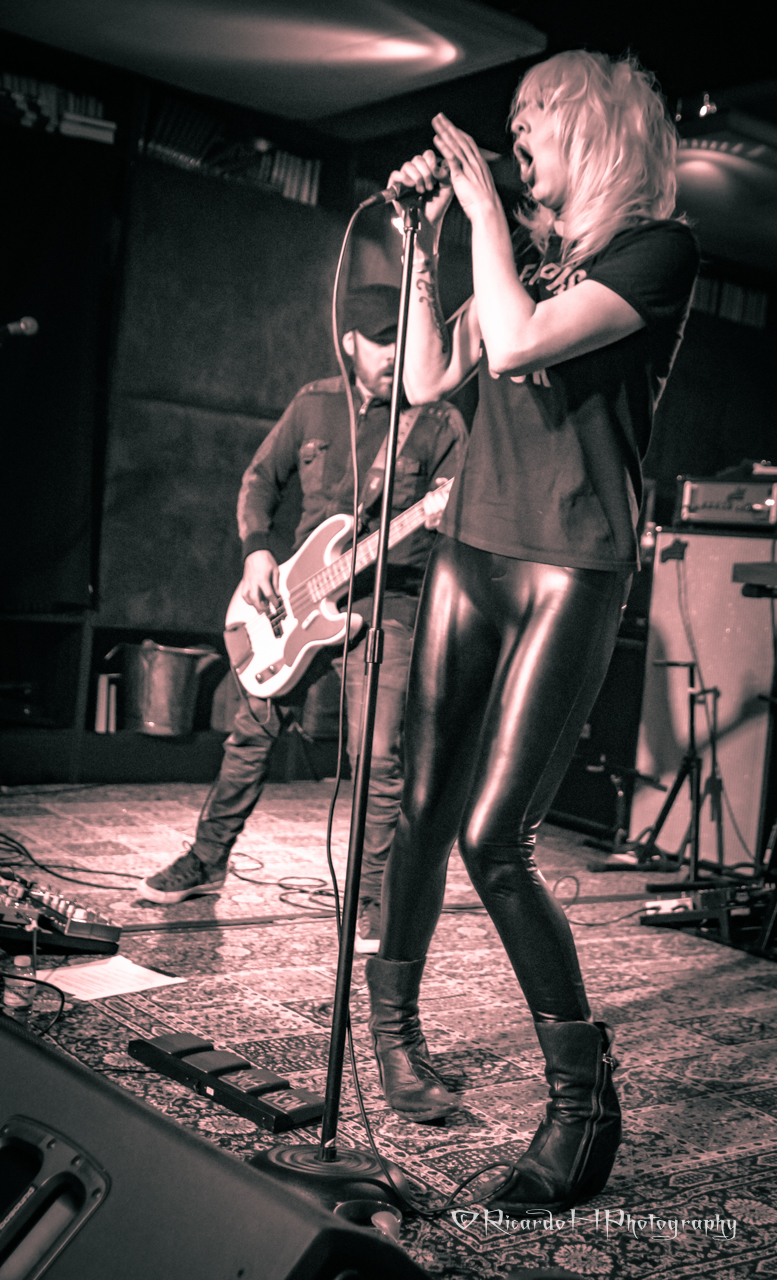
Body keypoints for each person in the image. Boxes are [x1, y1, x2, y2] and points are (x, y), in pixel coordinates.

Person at [364, 50, 699, 1213]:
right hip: (472, 548)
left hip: (572, 561)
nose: (514, 140)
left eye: (530, 120)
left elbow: (515, 344)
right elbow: (429, 377)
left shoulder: (656, 252)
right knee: (421, 801)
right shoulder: (529, 258)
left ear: (593, 130)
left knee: (494, 836)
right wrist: (424, 244)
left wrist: (477, 216)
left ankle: (581, 1097)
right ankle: (393, 1034)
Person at [141, 285, 467, 954]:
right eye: (380, 341)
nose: (394, 354)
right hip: (295, 599)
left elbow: (461, 518)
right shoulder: (315, 403)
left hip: (388, 604)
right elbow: (260, 479)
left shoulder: (438, 421)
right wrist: (257, 552)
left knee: (378, 760)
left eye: (403, 340)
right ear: (349, 342)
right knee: (250, 735)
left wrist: (444, 515)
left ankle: (373, 898)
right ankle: (206, 861)